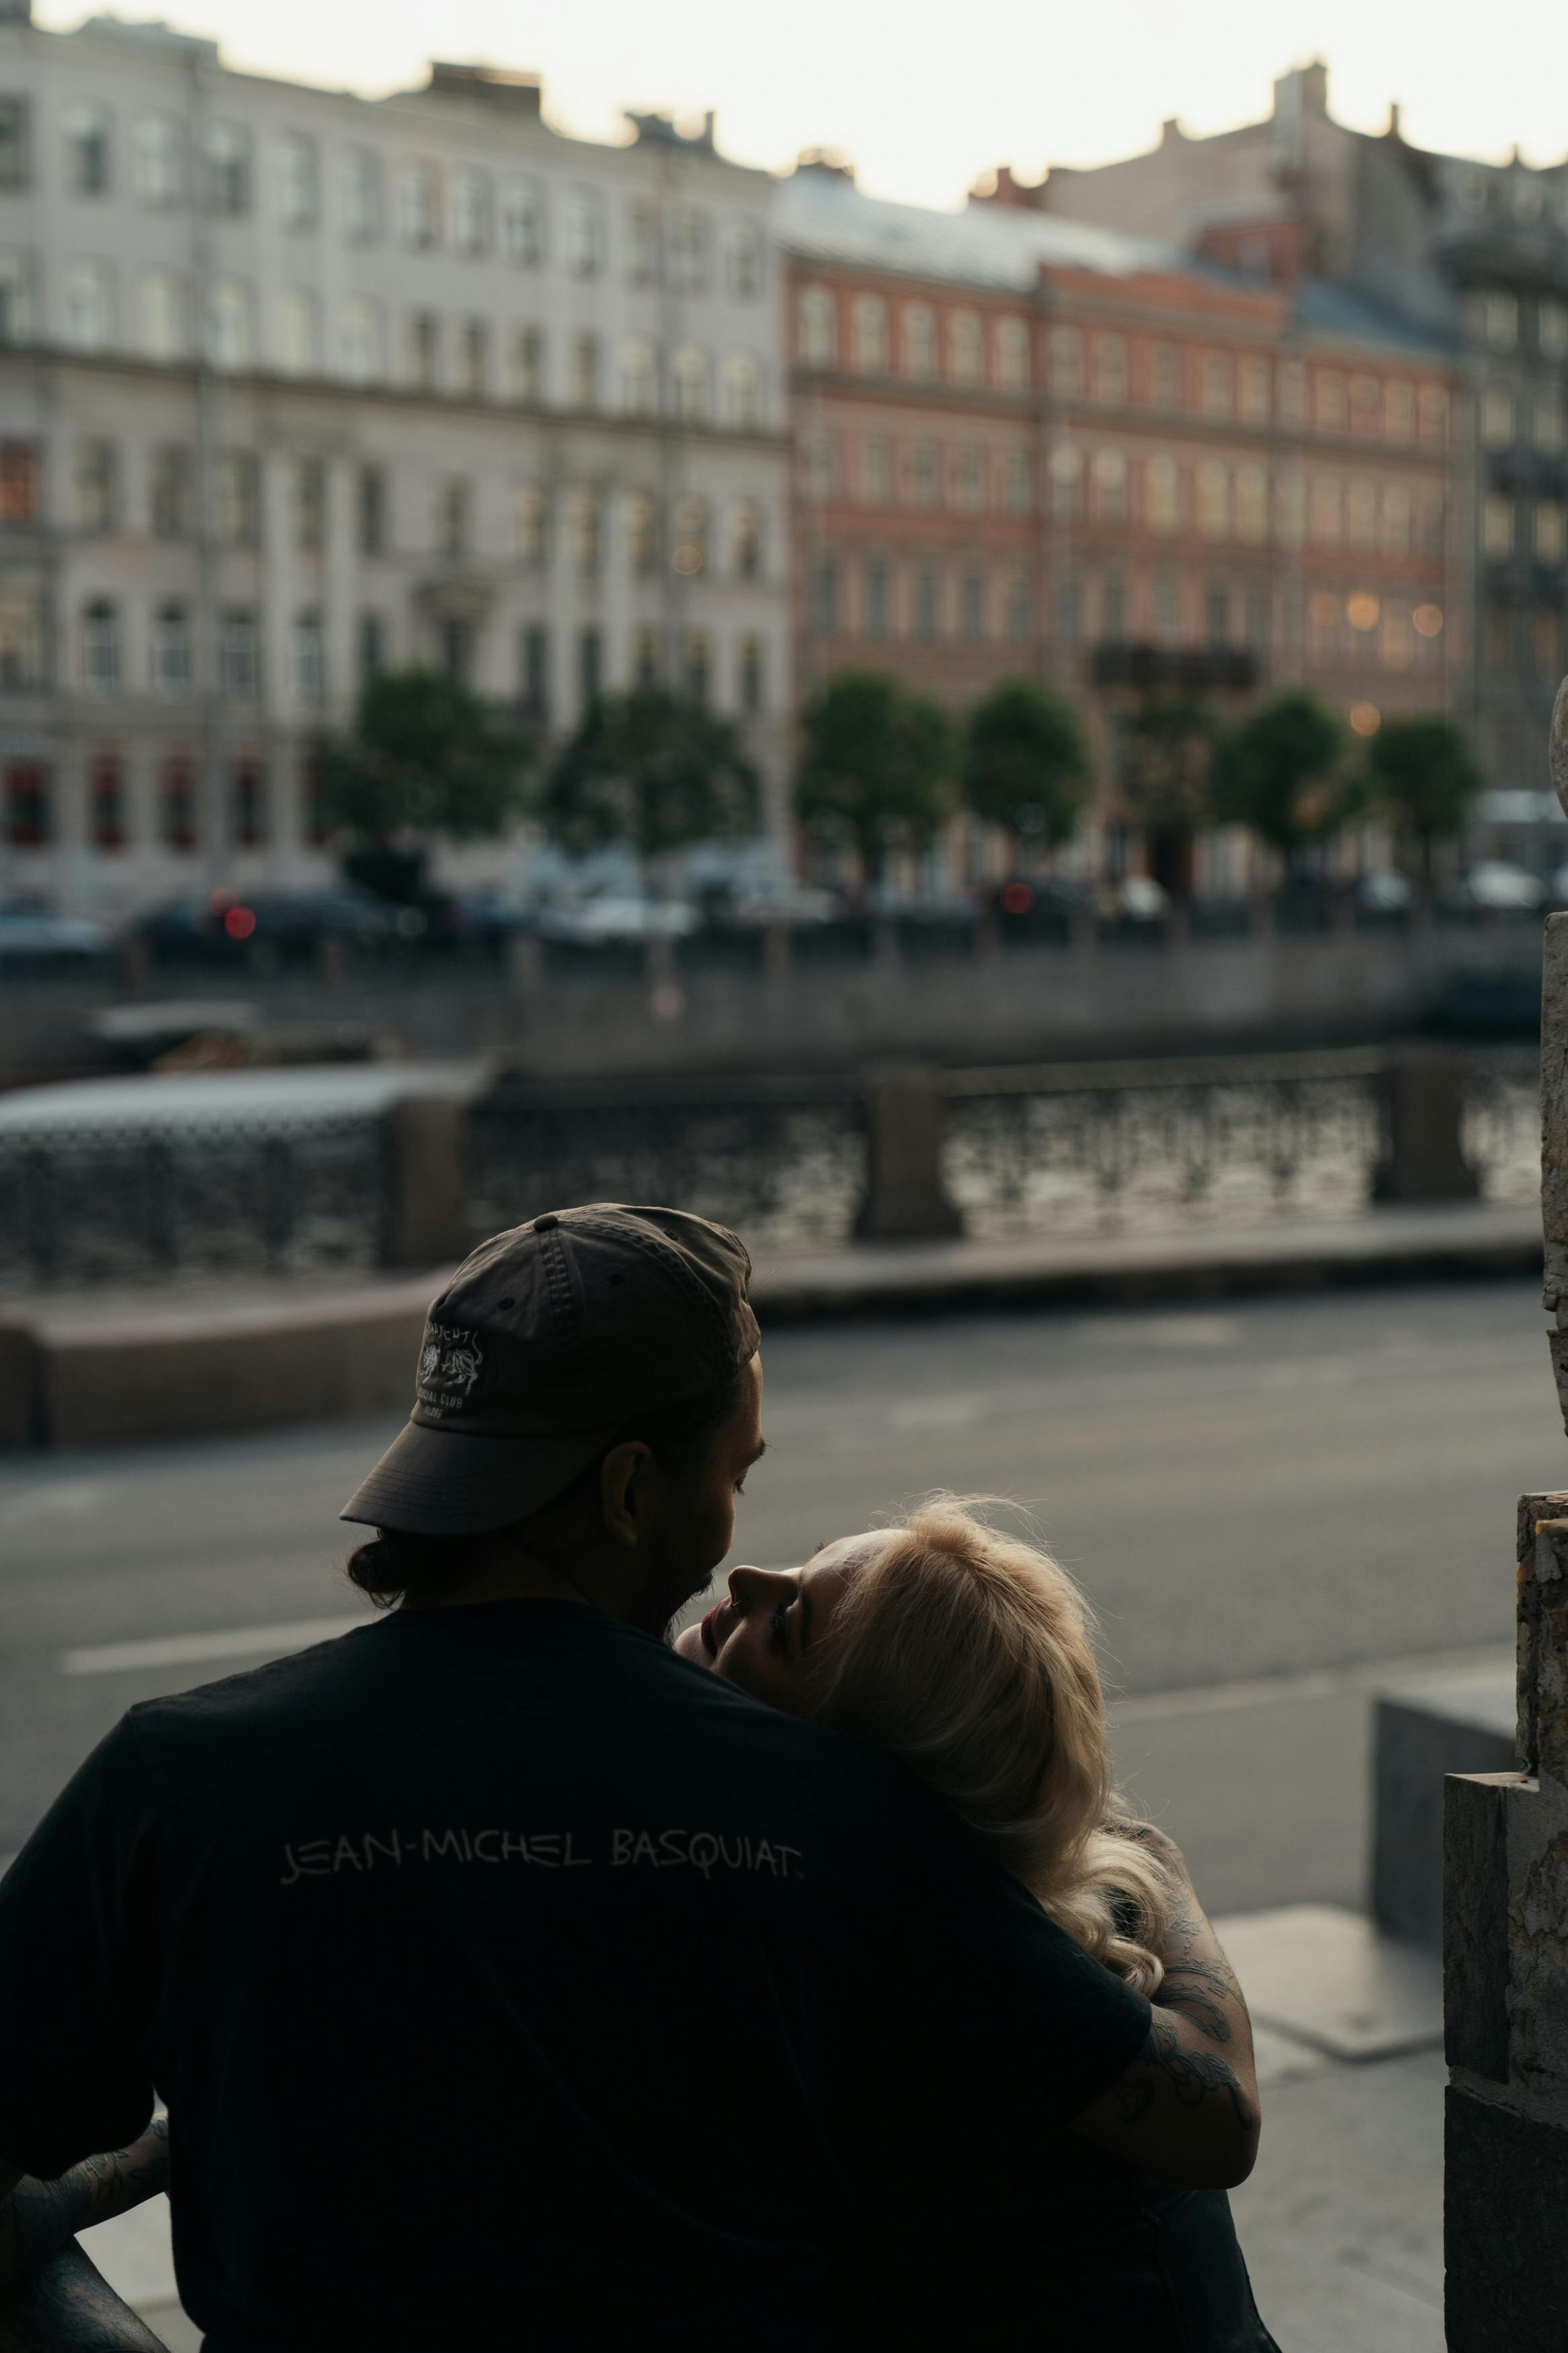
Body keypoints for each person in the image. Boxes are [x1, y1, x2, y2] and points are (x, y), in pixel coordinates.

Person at [0, 1205, 1258, 2351]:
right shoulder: (830, 1807)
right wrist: (1133, 1851)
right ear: (627, 1490)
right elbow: (1196, 2113)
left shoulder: (176, 1774)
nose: (735, 1547)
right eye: (734, 1476)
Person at [676, 1496, 1280, 2350]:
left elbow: (1220, 2120)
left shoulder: (940, 1942)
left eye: (788, 1627)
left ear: (863, 1767)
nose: (744, 1576)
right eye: (803, 1564)